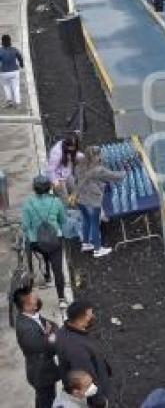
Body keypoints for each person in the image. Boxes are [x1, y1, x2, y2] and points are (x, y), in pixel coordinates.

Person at [56, 300, 113, 406]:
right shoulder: (77, 349)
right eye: (90, 314)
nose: (93, 316)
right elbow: (86, 380)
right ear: (82, 318)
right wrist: (100, 402)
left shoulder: (62, 331)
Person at [22, 175, 67, 307]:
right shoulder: (56, 201)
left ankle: (45, 273)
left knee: (42, 250)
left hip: (36, 243)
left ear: (34, 188)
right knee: (58, 270)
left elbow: (25, 226)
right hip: (54, 240)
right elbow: (62, 220)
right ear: (49, 188)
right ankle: (62, 299)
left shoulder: (28, 204)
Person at [73, 147, 126, 258]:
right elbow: (116, 177)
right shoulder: (98, 170)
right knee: (95, 224)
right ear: (96, 156)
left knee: (86, 220)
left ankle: (86, 244)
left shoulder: (79, 166)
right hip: (92, 200)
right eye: (100, 155)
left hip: (80, 198)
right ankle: (97, 249)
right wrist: (125, 171)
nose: (101, 156)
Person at [13, 286, 61, 408]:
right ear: (27, 306)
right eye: (35, 299)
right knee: (46, 400)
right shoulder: (26, 329)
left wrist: (49, 335)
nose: (38, 299)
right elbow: (47, 347)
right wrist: (50, 337)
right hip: (41, 374)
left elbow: (53, 325)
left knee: (47, 398)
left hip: (46, 370)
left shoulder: (33, 315)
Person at [1, 34, 24, 107]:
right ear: (10, 41)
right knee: (16, 87)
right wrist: (21, 65)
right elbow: (20, 58)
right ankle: (17, 103)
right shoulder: (14, 49)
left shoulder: (0, 51)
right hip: (14, 71)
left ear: (2, 42)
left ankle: (9, 102)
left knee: (6, 86)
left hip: (4, 72)